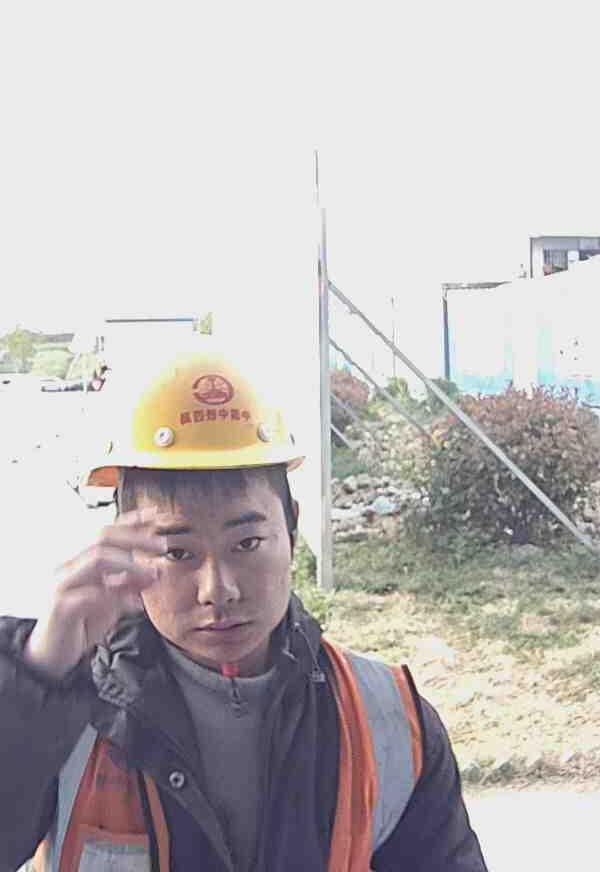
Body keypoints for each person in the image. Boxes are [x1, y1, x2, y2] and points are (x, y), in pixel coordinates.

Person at [0, 346, 488, 871]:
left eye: (247, 543)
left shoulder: (387, 719)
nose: (218, 590)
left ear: (292, 529)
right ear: (124, 549)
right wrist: (35, 676)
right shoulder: (67, 709)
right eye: (178, 552)